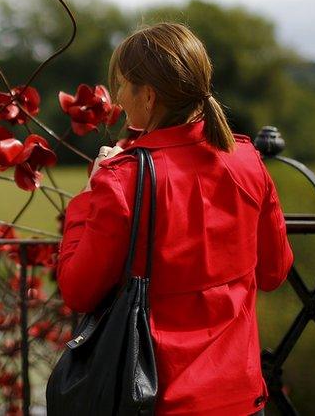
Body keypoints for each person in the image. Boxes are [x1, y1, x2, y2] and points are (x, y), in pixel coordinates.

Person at [57, 23, 293, 415]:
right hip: (240, 397)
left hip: (154, 398)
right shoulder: (247, 159)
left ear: (148, 97)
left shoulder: (122, 178)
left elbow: (78, 291)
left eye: (122, 85)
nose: (117, 97)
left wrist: (89, 195)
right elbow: (274, 272)